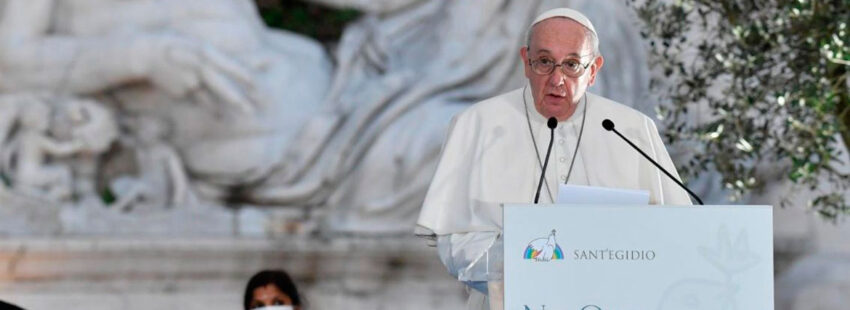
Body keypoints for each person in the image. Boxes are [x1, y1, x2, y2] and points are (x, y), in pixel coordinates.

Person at [414, 8, 693, 310]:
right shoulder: (476, 123)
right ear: (526, 62)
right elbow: (452, 239)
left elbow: (673, 231)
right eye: (545, 62)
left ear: (594, 69)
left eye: (572, 64)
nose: (557, 79)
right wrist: (518, 264)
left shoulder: (632, 129)